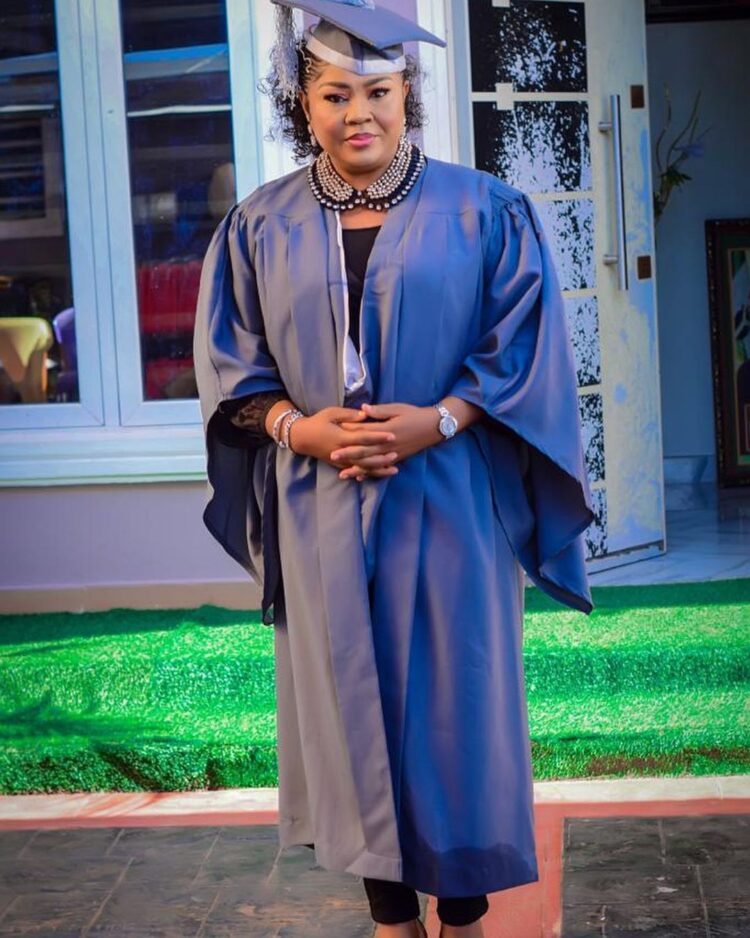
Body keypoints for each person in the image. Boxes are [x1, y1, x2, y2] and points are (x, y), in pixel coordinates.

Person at [193, 1, 596, 935]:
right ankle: (389, 918)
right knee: (345, 707)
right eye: (336, 95)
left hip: (448, 495)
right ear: (304, 102)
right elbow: (232, 364)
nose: (358, 114)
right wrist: (300, 429)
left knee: (455, 703)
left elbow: (522, 344)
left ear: (407, 93)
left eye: (377, 92)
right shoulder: (260, 224)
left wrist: (439, 420)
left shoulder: (484, 209)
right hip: (319, 501)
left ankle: (464, 914)